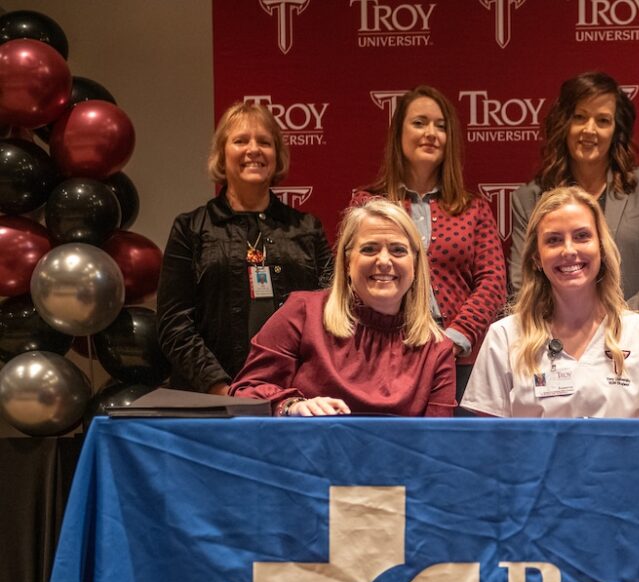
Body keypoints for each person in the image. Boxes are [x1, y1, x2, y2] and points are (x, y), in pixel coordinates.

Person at [509, 71, 639, 377]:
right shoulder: (530, 199)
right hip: (560, 355)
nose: (589, 129)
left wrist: (613, 329)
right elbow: (522, 282)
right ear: (564, 123)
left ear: (616, 129)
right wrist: (578, 337)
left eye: (603, 120)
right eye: (580, 117)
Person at [463, 186, 639, 418]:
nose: (569, 250)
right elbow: (490, 436)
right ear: (536, 257)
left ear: (601, 248)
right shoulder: (504, 337)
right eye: (554, 240)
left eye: (582, 236)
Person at [158, 101, 331, 394]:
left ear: (277, 155)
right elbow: (173, 324)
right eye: (240, 141)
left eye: (264, 142)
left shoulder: (307, 228)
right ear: (221, 154)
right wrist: (221, 389)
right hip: (211, 399)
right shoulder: (190, 228)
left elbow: (330, 314)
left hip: (295, 397)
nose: (253, 150)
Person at [230, 199, 455, 416]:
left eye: (398, 250)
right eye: (369, 249)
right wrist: (290, 405)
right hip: (308, 444)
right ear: (347, 262)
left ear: (415, 263)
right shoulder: (302, 313)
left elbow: (438, 437)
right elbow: (246, 390)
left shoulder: (437, 348)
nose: (384, 261)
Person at [352, 85, 506, 400]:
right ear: (399, 133)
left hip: (460, 361)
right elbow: (350, 278)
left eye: (440, 126)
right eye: (419, 123)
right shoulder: (368, 204)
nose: (431, 133)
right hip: (384, 353)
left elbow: (493, 282)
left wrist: (456, 337)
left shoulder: (473, 208)